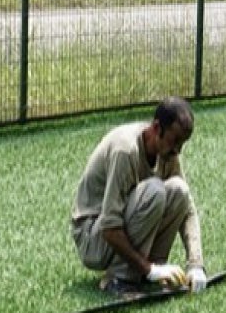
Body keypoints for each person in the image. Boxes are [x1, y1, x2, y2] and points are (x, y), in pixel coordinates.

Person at [70, 96, 207, 298]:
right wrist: (150, 269)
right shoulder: (125, 150)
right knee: (155, 191)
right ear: (156, 128)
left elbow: (186, 208)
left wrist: (196, 264)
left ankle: (144, 273)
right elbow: (109, 226)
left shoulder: (167, 153)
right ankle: (118, 278)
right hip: (93, 237)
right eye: (174, 141)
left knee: (179, 190)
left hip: (114, 228)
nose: (178, 150)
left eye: (182, 143)